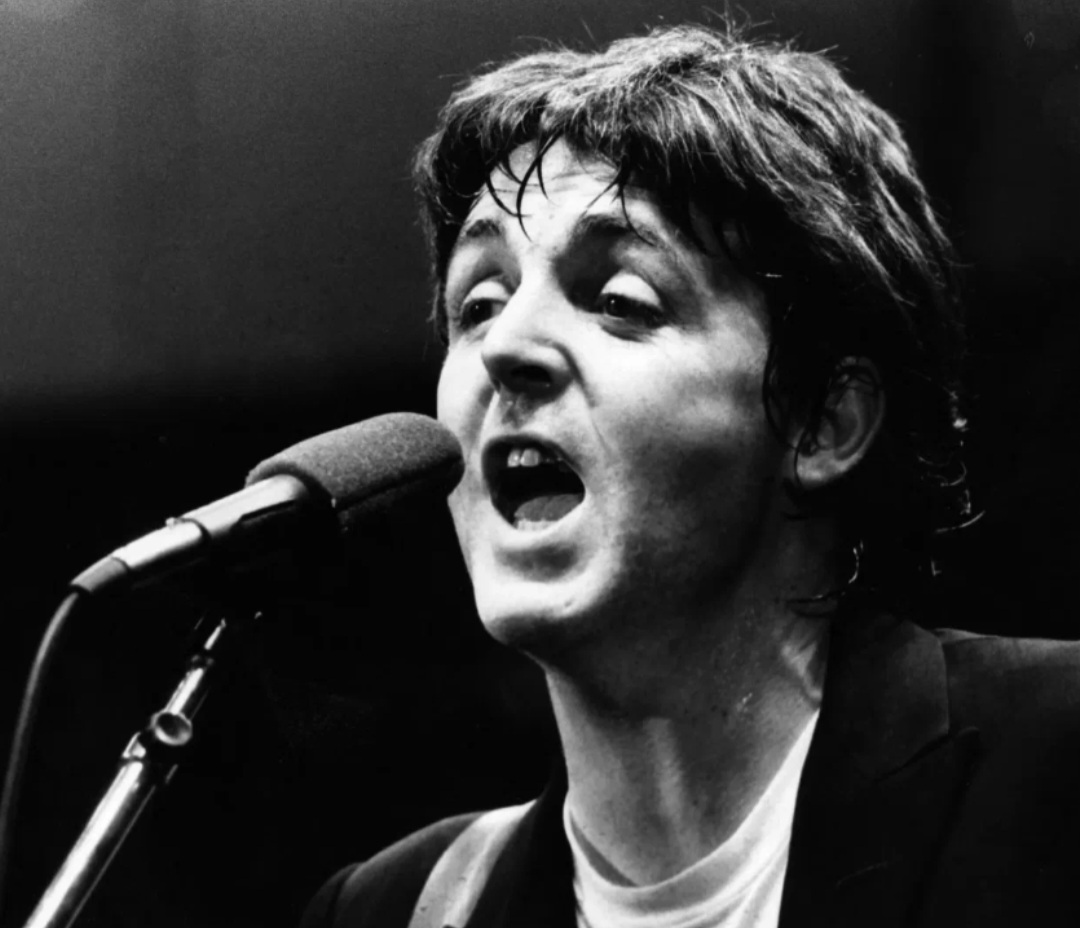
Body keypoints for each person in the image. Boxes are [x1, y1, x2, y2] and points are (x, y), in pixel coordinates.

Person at [302, 22, 1080, 928]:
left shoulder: (1056, 764)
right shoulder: (390, 909)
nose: (505, 345)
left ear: (823, 422)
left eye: (619, 300)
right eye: (478, 303)